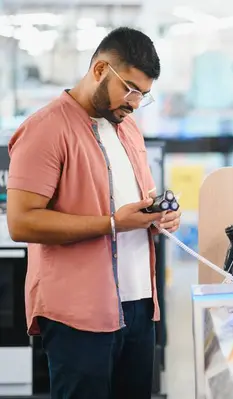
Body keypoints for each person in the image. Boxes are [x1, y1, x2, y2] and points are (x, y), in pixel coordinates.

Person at [6, 27, 180, 399]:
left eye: (144, 95)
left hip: (138, 308)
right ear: (100, 70)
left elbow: (138, 201)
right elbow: (21, 222)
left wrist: (158, 218)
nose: (135, 102)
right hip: (78, 315)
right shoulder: (45, 129)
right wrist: (114, 223)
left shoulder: (128, 129)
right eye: (130, 89)